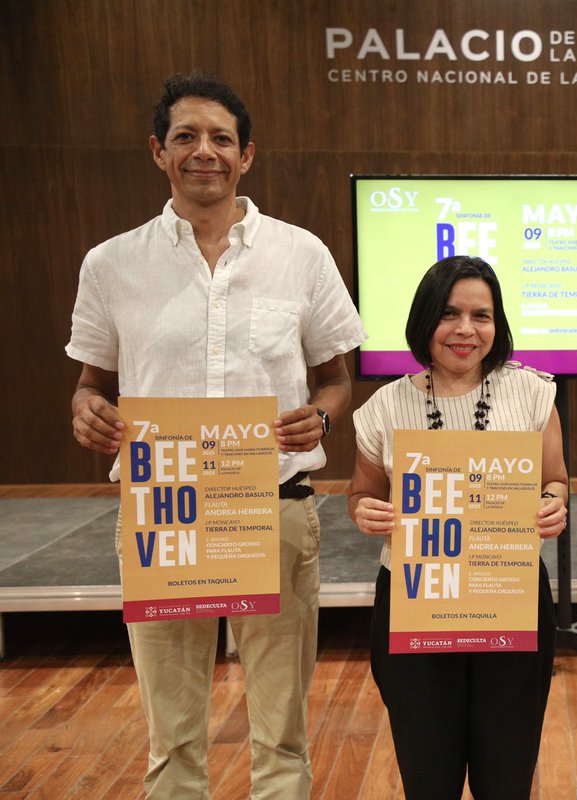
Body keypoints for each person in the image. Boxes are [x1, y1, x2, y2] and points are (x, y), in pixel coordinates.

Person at [66, 72, 366, 798]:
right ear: (158, 152)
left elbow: (337, 378)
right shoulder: (110, 265)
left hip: (275, 510)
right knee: (172, 743)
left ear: (247, 155)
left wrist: (321, 415)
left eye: (221, 139)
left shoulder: (301, 253)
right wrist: (87, 414)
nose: (205, 151)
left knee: (282, 735)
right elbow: (89, 387)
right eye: (186, 137)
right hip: (162, 515)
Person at [348, 255, 569, 799]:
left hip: (509, 597)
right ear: (425, 320)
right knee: (428, 775)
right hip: (415, 601)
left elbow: (558, 480)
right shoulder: (385, 406)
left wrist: (553, 504)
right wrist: (364, 511)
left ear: (498, 325)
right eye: (450, 314)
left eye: (482, 315)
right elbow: (362, 492)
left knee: (507, 774)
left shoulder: (535, 393)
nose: (466, 330)